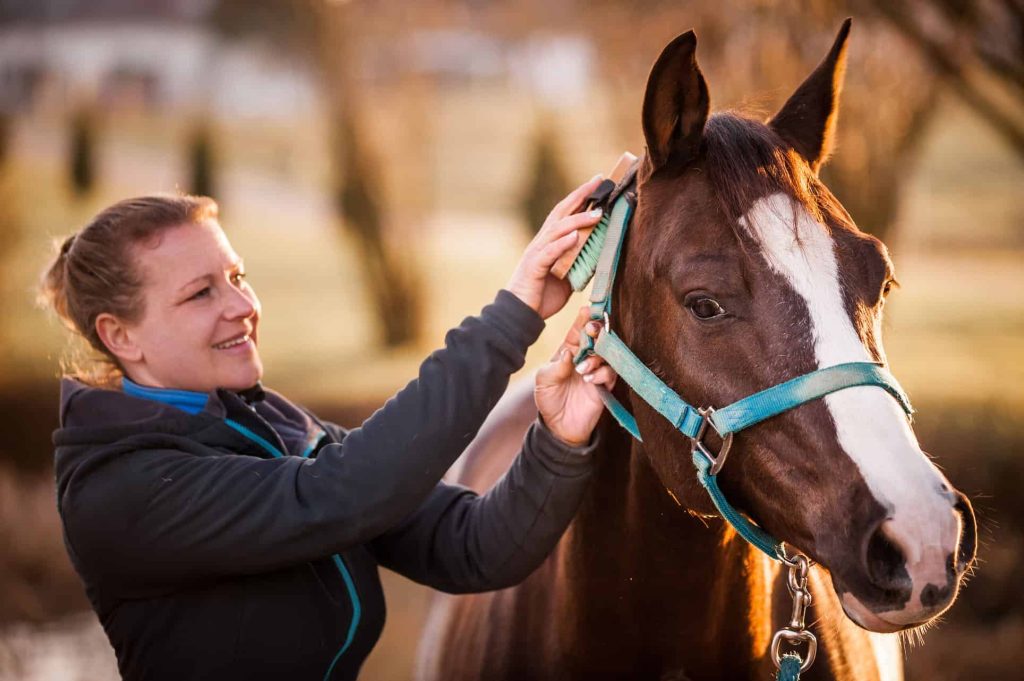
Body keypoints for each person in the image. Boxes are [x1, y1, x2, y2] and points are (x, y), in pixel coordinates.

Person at [40, 178, 617, 681]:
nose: (242, 304)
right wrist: (511, 316)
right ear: (120, 336)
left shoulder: (274, 424)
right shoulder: (120, 491)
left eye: (237, 276)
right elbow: (344, 493)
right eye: (200, 293)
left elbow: (473, 547)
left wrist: (557, 441)